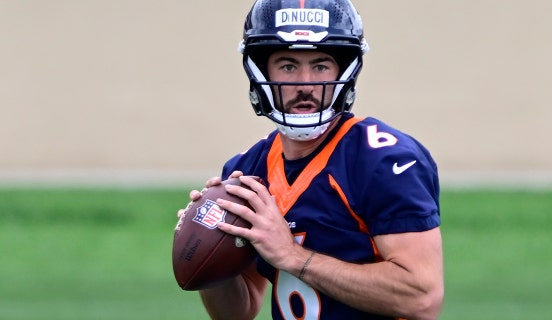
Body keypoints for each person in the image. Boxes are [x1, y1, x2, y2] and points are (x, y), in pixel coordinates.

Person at [177, 0, 444, 319]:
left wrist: (293, 257)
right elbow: (239, 311)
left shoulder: (385, 160)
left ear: (343, 70)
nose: (305, 84)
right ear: (262, 71)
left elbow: (421, 298)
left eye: (320, 65)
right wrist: (208, 249)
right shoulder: (246, 170)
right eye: (288, 66)